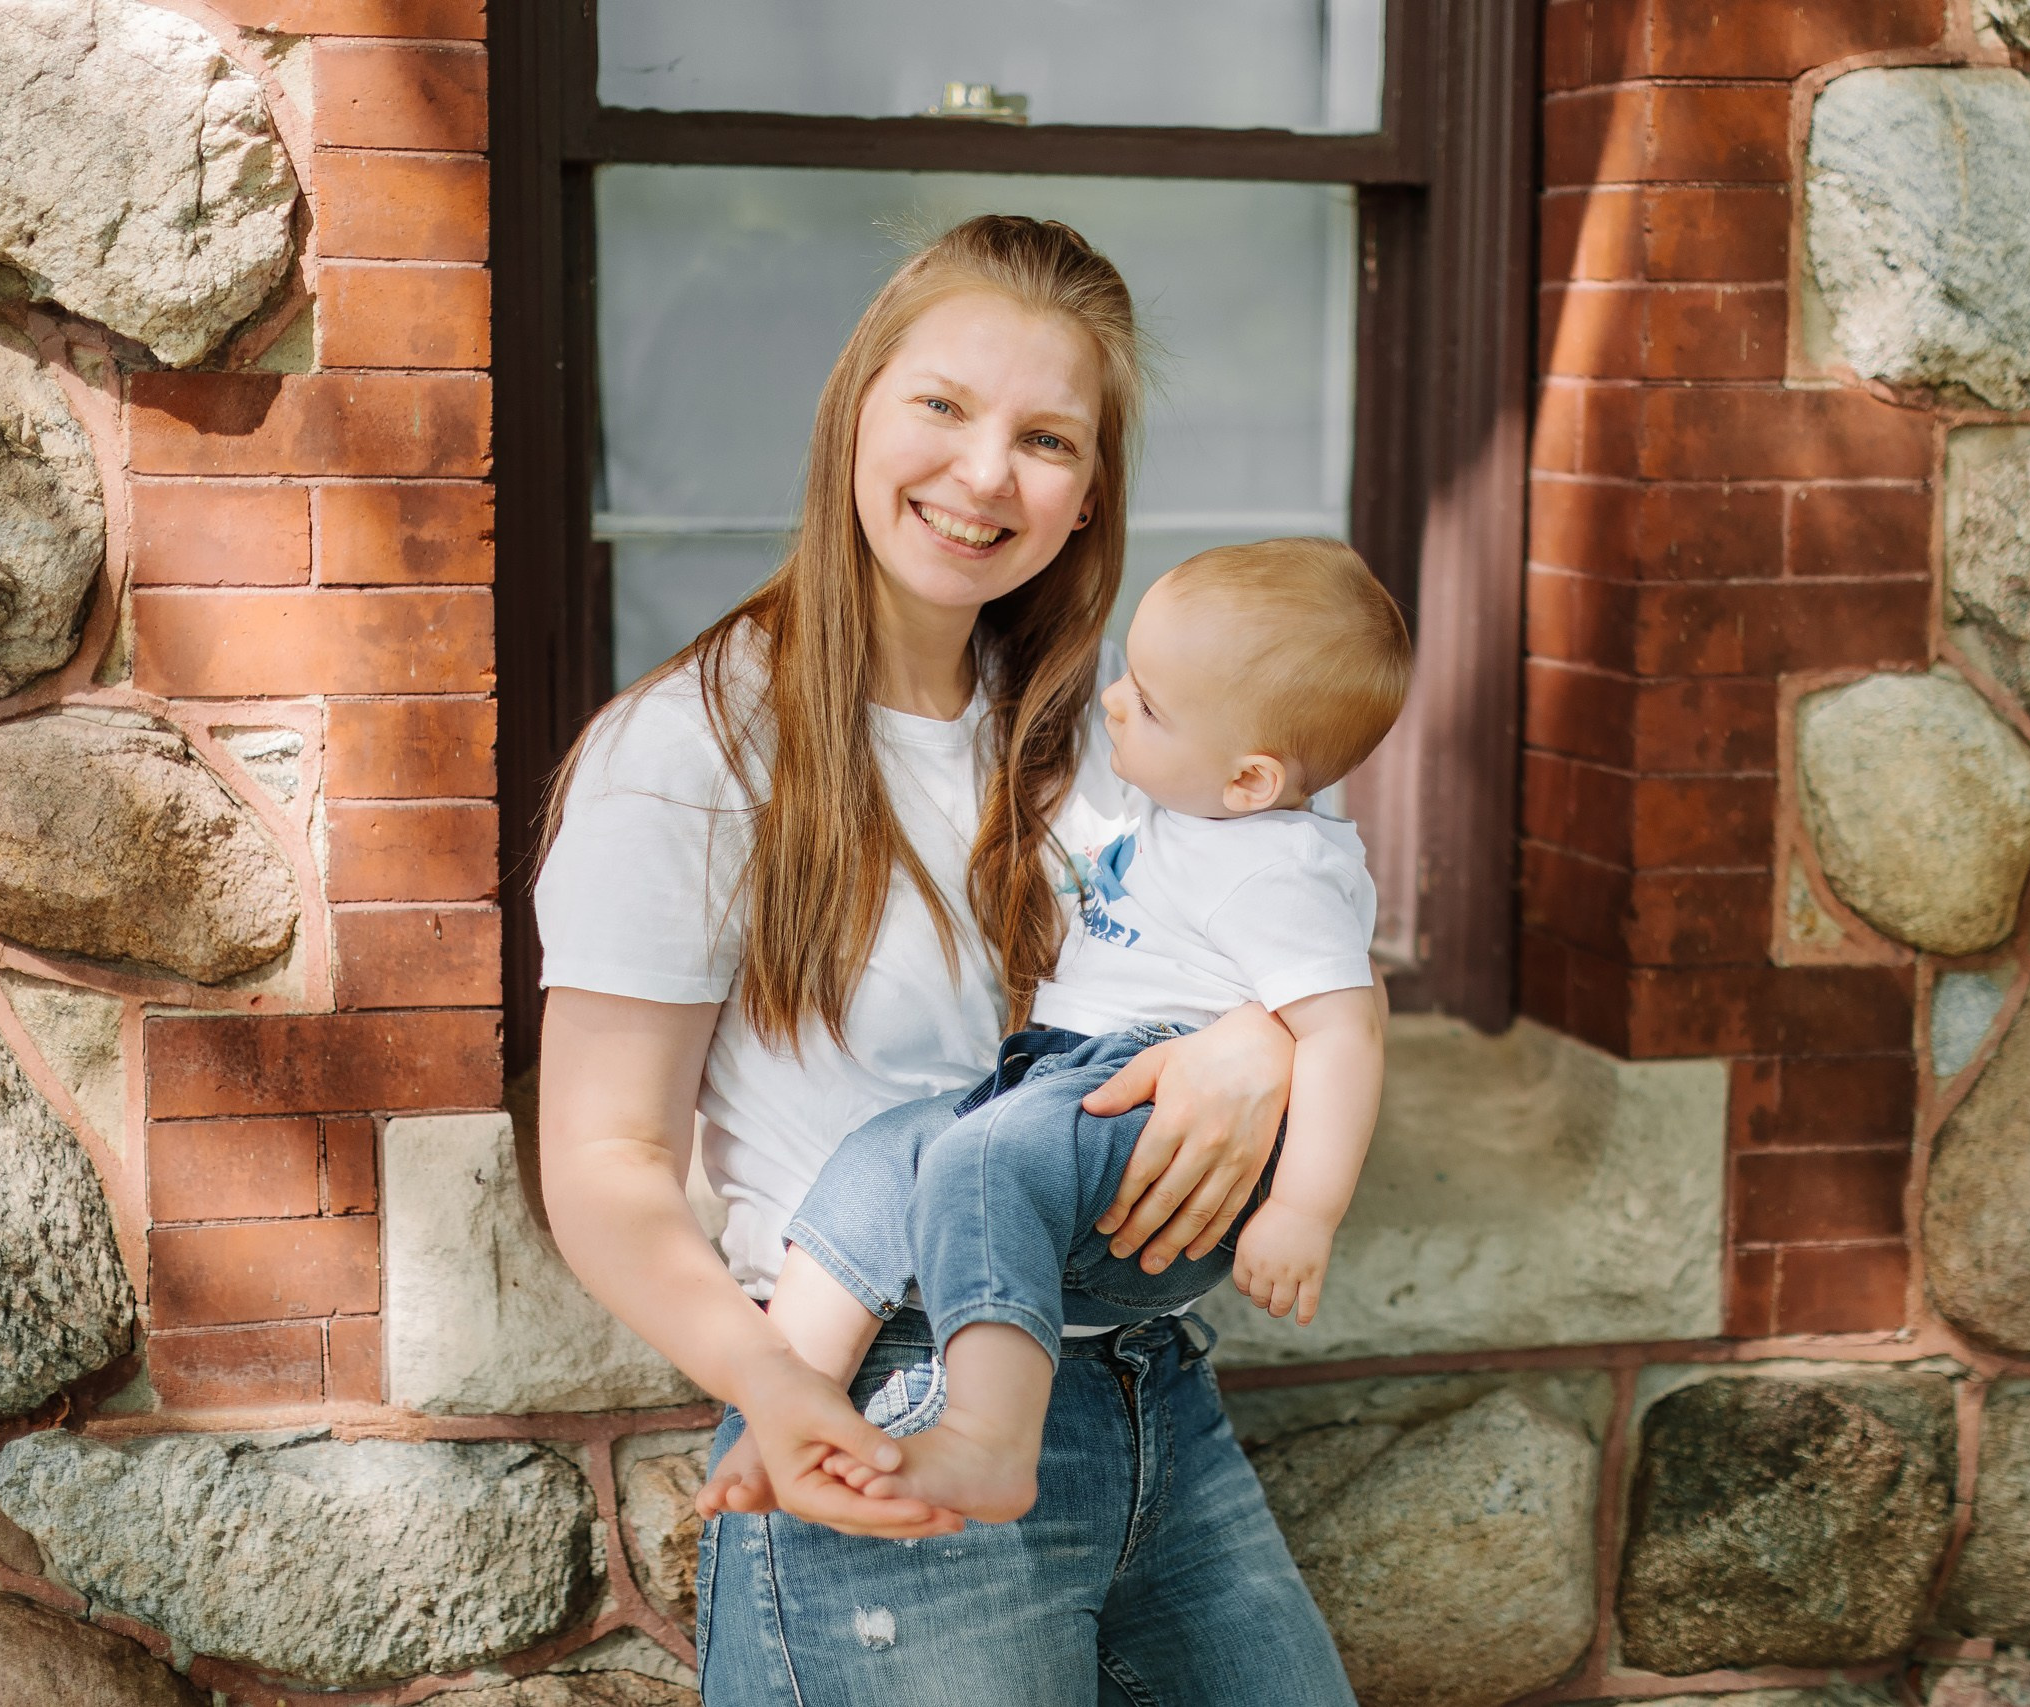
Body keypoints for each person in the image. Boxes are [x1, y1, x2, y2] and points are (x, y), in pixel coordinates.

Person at [533, 214, 1360, 1705]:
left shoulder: (1106, 740)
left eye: (1047, 437)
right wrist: (778, 1387)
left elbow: (1292, 939)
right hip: (885, 1402)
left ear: (1090, 489)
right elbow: (603, 1153)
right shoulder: (693, 750)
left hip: (1150, 1387)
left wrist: (1262, 1043)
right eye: (942, 406)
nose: (986, 475)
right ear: (858, 405)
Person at [723, 538, 1412, 1525]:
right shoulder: (1189, 809)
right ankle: (785, 1404)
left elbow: (1346, 1033)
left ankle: (989, 1441)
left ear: (1251, 780)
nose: (1115, 699)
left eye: (1153, 703)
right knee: (883, 1156)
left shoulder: (1278, 869)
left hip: (1140, 1124)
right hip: (1057, 1091)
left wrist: (1304, 1213)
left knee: (980, 1162)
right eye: (1131, 671)